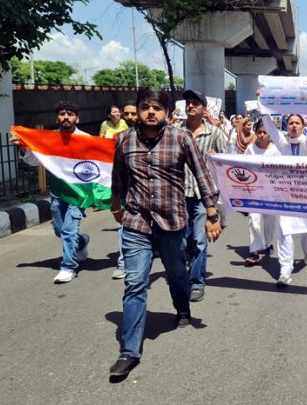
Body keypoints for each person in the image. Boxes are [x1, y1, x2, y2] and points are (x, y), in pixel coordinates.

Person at [109, 88, 222, 379]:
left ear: (168, 113)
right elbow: (118, 177)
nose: (150, 112)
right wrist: (115, 206)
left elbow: (202, 175)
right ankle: (130, 351)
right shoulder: (124, 140)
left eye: (157, 107)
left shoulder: (181, 138)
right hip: (137, 224)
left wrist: (212, 213)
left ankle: (182, 307)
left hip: (172, 223)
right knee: (135, 283)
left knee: (175, 272)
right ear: (137, 109)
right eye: (145, 106)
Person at [11, 101, 91, 284]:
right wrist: (23, 147)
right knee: (60, 230)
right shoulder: (50, 139)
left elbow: (94, 168)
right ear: (57, 118)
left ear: (77, 118)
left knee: (69, 230)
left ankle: (68, 266)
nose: (66, 117)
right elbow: (34, 162)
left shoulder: (86, 139)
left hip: (77, 194)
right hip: (56, 192)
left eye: (70, 114)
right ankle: (81, 243)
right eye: (62, 114)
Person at [258, 88, 307, 286]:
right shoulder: (282, 143)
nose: (294, 126)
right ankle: (285, 271)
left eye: (297, 123)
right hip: (284, 194)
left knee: (306, 230)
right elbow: (268, 125)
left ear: (303, 125)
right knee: (284, 230)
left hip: (305, 194)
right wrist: (260, 99)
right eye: (291, 123)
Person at [179, 89, 227, 302]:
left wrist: (217, 157)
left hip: (202, 195)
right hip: (179, 193)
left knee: (200, 239)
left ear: (203, 109)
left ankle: (197, 281)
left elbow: (226, 161)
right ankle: (189, 265)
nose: (190, 106)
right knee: (183, 241)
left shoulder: (214, 133)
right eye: (188, 103)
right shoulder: (175, 131)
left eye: (195, 104)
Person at [243, 119, 279, 265]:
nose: (262, 135)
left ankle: (268, 242)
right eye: (259, 132)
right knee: (254, 221)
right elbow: (242, 166)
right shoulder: (250, 149)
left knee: (269, 222)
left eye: (265, 132)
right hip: (254, 191)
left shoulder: (277, 150)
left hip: (271, 192)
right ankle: (255, 251)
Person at [112, 100, 140, 280]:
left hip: (151, 196)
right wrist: (115, 202)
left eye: (133, 113)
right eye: (126, 113)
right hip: (128, 195)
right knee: (125, 228)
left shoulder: (160, 136)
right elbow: (117, 170)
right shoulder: (120, 138)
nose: (129, 117)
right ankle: (123, 264)